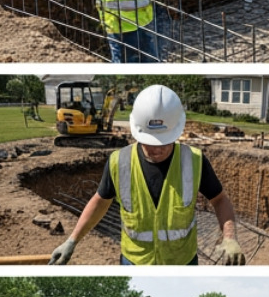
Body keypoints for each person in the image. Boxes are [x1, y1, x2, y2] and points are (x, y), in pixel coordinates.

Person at [48, 85, 244, 266]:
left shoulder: (194, 161)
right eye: (149, 141)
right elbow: (100, 201)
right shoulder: (120, 162)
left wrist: (229, 237)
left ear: (176, 132)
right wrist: (72, 240)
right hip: (134, 261)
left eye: (163, 142)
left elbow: (219, 200)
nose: (156, 149)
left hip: (182, 261)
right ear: (137, 131)